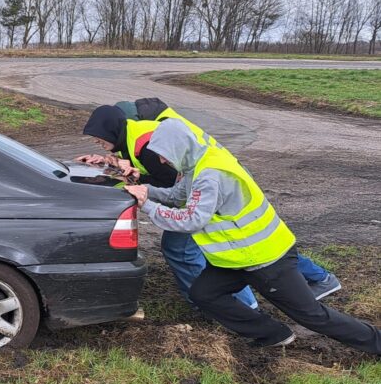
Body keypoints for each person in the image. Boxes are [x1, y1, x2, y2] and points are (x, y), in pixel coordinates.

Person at [123, 118, 380, 353]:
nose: (162, 161)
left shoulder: (209, 176)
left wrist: (147, 205)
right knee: (204, 294)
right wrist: (144, 189)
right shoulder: (200, 163)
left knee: (313, 316)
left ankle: (376, 342)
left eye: (164, 155)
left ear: (179, 147)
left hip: (266, 260)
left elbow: (191, 220)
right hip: (237, 259)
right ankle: (273, 334)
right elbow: (177, 196)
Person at [77, 104, 341, 306]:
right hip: (220, 179)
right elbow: (156, 175)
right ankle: (320, 278)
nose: (99, 144)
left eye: (100, 140)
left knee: (182, 249)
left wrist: (142, 193)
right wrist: (111, 164)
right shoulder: (133, 134)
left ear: (112, 131)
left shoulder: (147, 146)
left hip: (215, 185)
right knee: (262, 247)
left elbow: (175, 189)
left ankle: (238, 304)